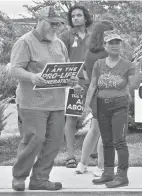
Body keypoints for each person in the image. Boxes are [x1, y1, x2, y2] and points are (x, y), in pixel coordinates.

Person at [10, 6, 78, 191]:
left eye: (59, 24)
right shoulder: (25, 42)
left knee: (54, 142)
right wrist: (32, 76)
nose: (56, 27)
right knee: (34, 139)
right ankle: (19, 176)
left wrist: (71, 79)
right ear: (40, 20)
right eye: (52, 23)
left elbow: (66, 67)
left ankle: (40, 179)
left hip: (56, 103)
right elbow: (14, 69)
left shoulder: (59, 44)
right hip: (32, 102)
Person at [84, 29, 140, 188]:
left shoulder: (127, 64)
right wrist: (87, 106)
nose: (115, 46)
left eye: (117, 42)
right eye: (111, 43)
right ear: (105, 46)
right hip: (101, 105)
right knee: (106, 141)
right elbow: (93, 85)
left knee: (119, 141)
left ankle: (122, 175)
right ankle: (108, 173)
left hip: (119, 105)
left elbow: (134, 86)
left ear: (121, 45)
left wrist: (137, 69)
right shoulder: (99, 64)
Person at [75, 20, 114, 177]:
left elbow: (85, 74)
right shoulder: (107, 54)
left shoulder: (89, 53)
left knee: (94, 130)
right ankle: (101, 167)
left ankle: (82, 164)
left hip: (93, 95)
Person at [59, 4, 93, 168]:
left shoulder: (94, 36)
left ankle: (93, 150)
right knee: (72, 117)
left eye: (79, 15)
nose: (75, 18)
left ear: (85, 17)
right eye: (73, 16)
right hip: (75, 83)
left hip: (94, 82)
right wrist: (71, 79)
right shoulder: (65, 36)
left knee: (97, 116)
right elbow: (60, 58)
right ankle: (70, 156)